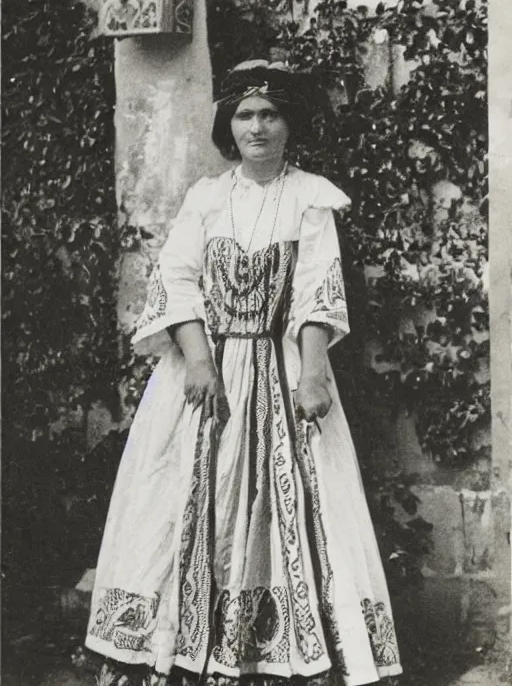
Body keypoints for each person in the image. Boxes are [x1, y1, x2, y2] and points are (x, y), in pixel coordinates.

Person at [86, 60, 402, 686]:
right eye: (244, 115)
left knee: (290, 503)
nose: (257, 127)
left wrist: (313, 372)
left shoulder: (312, 196)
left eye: (270, 115)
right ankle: (177, 648)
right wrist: (199, 360)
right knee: (182, 498)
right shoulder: (206, 198)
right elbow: (175, 279)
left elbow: (317, 291)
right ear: (228, 125)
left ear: (290, 123)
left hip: (283, 365)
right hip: (206, 372)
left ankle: (277, 654)